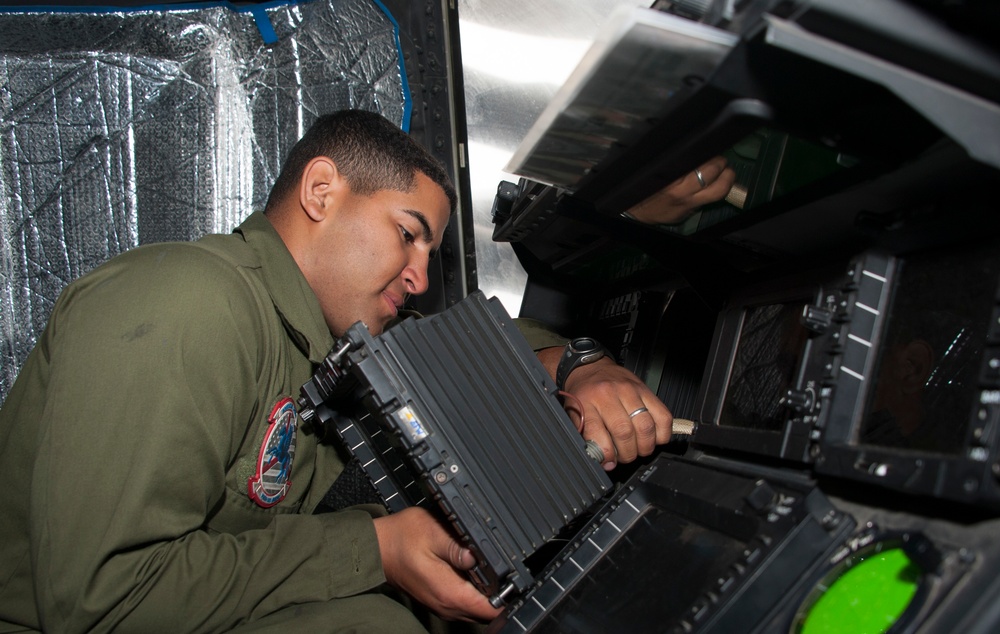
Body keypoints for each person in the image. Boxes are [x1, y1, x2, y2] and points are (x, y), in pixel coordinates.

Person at [0, 109, 672, 633]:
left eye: (431, 254)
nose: (417, 276)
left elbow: (477, 340)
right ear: (322, 191)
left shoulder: (323, 338)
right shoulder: (187, 302)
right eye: (408, 234)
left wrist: (580, 367)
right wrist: (372, 549)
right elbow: (105, 600)